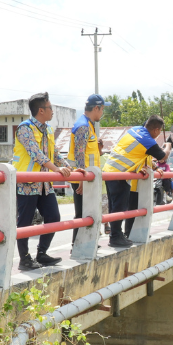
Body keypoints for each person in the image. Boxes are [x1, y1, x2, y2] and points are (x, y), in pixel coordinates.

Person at [14, 92, 72, 270]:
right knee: (25, 222)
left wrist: (71, 169)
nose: (52, 111)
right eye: (50, 108)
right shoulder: (25, 128)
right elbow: (35, 153)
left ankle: (42, 253)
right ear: (41, 110)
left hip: (45, 183)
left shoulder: (47, 129)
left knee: (53, 217)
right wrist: (56, 169)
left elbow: (53, 154)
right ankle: (24, 259)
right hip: (28, 182)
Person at [102, 115, 168, 247]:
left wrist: (140, 168)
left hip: (109, 170)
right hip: (119, 174)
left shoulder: (134, 130)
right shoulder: (148, 140)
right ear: (156, 130)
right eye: (159, 131)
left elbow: (133, 154)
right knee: (119, 208)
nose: (159, 134)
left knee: (114, 206)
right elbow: (162, 157)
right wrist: (168, 146)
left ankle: (116, 235)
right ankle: (115, 237)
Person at [67, 94, 107, 243]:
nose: (102, 113)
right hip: (82, 178)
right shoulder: (83, 126)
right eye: (102, 109)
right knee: (81, 212)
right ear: (96, 108)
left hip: (88, 177)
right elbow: (79, 153)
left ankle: (86, 243)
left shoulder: (88, 124)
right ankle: (77, 244)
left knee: (89, 211)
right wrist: (81, 180)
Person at [125, 138, 171, 237]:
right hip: (134, 186)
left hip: (145, 187)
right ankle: (128, 233)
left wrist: (157, 168)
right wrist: (167, 146)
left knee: (145, 209)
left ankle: (142, 231)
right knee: (132, 210)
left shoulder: (147, 149)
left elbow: (150, 161)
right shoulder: (138, 148)